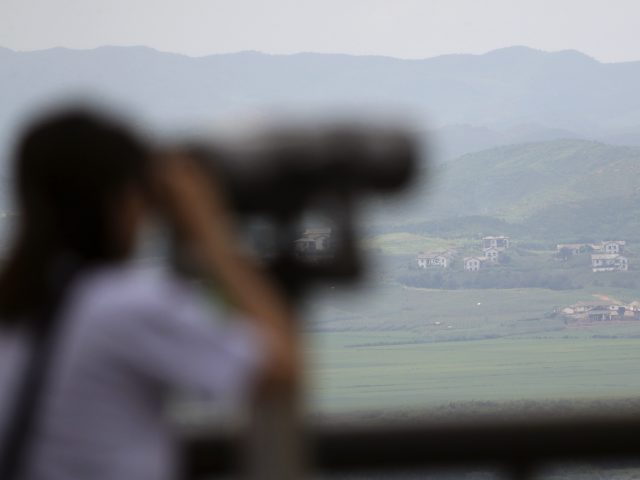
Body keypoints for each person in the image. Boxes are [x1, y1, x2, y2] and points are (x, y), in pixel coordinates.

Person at [0, 109, 299, 480]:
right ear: (119, 202)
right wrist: (211, 233)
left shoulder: (18, 304)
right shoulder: (124, 306)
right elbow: (281, 367)